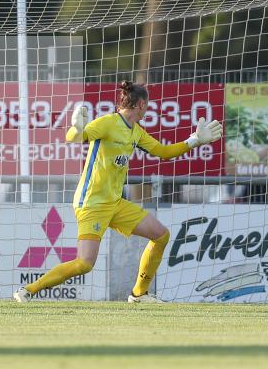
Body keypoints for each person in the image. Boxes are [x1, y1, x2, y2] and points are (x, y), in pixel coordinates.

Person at [14, 81, 222, 304]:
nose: (147, 109)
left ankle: (139, 294)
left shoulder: (136, 131)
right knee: (84, 264)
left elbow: (163, 152)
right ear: (141, 104)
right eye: (148, 105)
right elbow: (73, 137)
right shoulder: (108, 122)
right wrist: (76, 127)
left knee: (161, 235)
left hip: (115, 203)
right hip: (92, 202)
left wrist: (194, 140)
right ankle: (28, 290)